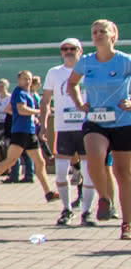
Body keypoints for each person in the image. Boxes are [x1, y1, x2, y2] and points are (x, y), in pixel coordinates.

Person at [66, 19, 131, 238]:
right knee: (94, 157)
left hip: (123, 121)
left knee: (122, 172)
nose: (98, 35)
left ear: (113, 35)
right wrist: (79, 103)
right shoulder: (86, 61)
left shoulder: (125, 61)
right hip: (95, 120)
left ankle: (127, 224)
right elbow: (72, 83)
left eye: (102, 31)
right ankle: (104, 198)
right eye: (94, 32)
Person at [41, 37, 100, 226]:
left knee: (88, 173)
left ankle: (87, 212)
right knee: (60, 173)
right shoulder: (54, 72)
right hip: (63, 128)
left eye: (72, 48)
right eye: (64, 49)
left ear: (80, 51)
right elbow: (45, 100)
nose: (68, 52)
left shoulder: (89, 70)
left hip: (86, 128)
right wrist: (43, 124)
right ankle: (66, 209)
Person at [0, 71, 49, 202]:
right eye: (24, 79)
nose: (27, 81)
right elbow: (21, 109)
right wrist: (38, 111)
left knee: (40, 162)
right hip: (21, 132)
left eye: (29, 79)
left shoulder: (26, 93)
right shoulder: (19, 92)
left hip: (29, 131)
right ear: (19, 80)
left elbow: (10, 109)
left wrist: (31, 116)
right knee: (10, 161)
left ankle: (48, 192)